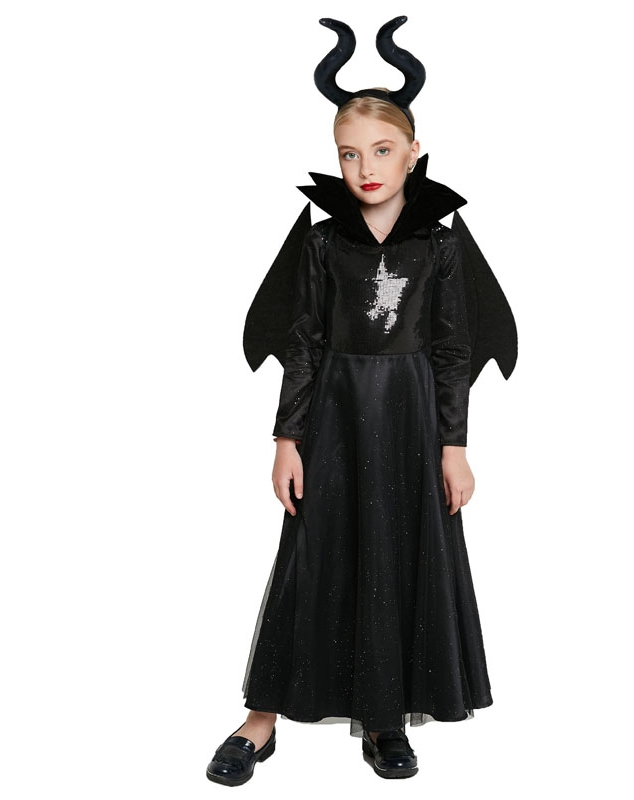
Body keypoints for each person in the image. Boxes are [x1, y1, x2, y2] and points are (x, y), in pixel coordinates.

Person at [206, 16, 517, 786]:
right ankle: (260, 720)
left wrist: (454, 445)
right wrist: (287, 438)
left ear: (413, 150)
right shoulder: (323, 243)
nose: (366, 167)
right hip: (335, 419)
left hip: (411, 420)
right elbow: (305, 343)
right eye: (349, 153)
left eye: (382, 150)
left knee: (397, 558)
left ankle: (383, 721)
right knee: (311, 558)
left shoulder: (439, 244)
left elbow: (452, 348)